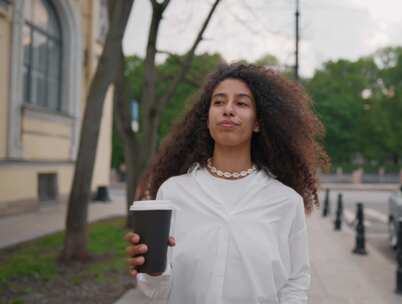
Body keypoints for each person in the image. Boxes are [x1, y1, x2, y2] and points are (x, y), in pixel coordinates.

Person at [124, 63, 329, 304]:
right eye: (219, 102)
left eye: (241, 103)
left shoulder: (286, 201)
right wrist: (153, 272)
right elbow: (157, 293)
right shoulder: (173, 192)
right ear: (207, 118)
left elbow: (295, 284)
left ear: (258, 122)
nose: (228, 110)